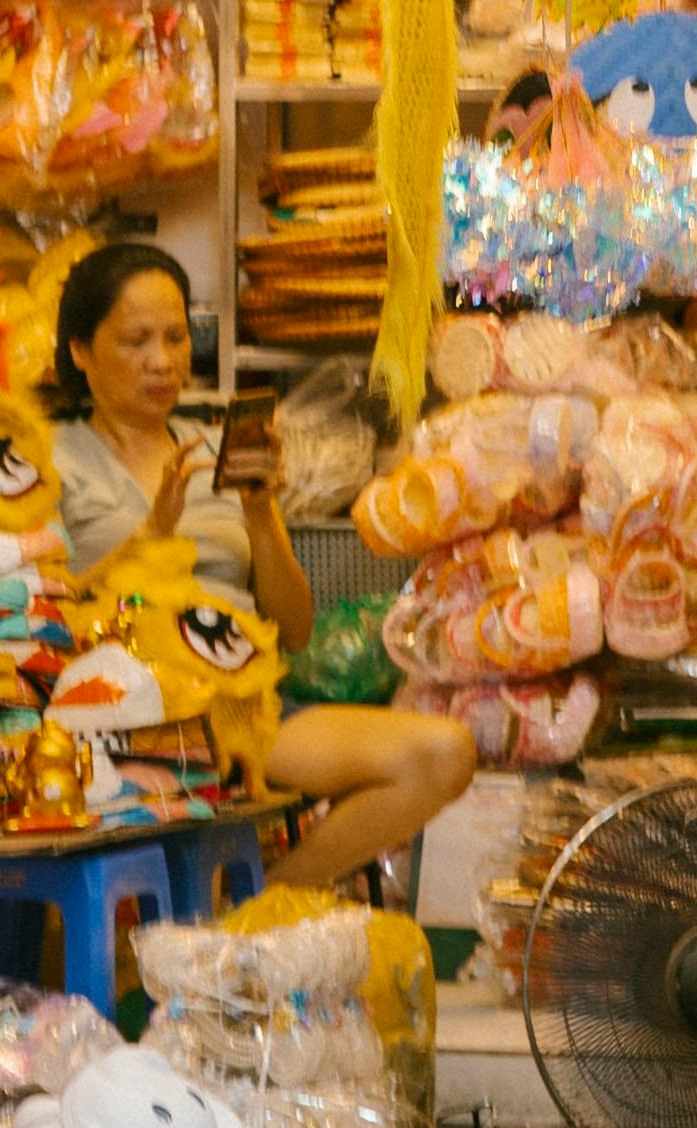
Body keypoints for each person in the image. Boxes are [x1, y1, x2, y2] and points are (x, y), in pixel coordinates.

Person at [42, 237, 476, 888]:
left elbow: (293, 630)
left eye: (175, 336)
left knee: (443, 753)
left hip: (243, 709)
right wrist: (148, 539)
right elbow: (35, 618)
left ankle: (255, 914)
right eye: (135, 341)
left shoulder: (218, 447)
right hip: (129, 721)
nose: (162, 361)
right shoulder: (50, 458)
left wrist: (258, 510)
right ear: (80, 351)